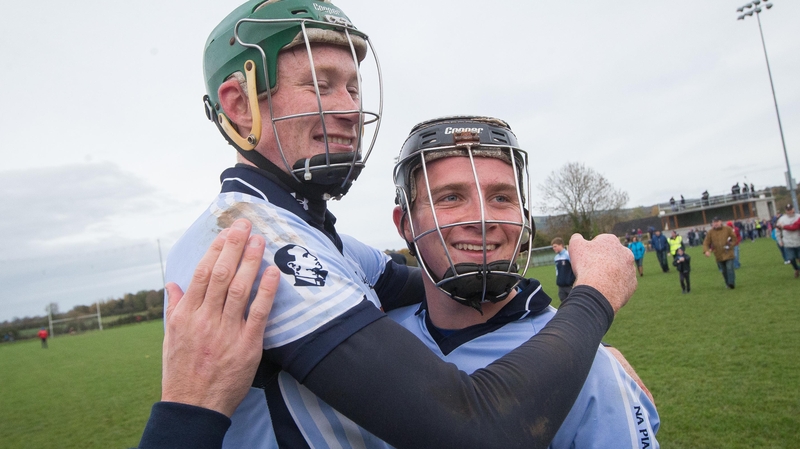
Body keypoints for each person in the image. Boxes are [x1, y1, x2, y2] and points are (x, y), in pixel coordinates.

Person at [140, 1, 638, 447]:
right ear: (239, 104)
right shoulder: (252, 239)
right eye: (321, 84)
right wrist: (592, 303)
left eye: (354, 87)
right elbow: (478, 429)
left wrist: (560, 342)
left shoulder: (311, 234)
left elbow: (432, 280)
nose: (349, 109)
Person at [388, 116, 659, 448]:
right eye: (451, 198)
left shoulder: (592, 371)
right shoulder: (373, 337)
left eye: (501, 198)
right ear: (405, 224)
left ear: (524, 216)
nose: (482, 219)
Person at [703, 217, 738, 289]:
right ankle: (727, 283)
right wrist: (706, 251)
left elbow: (734, 238)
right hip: (718, 254)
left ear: (721, 222)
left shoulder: (727, 229)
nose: (715, 223)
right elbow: (706, 242)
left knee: (729, 268)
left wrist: (731, 244)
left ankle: (731, 283)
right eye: (714, 222)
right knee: (724, 271)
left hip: (728, 253)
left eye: (717, 221)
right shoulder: (710, 232)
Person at [776, 203, 800, 278]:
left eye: (790, 210)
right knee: (791, 258)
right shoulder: (781, 219)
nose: (789, 211)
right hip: (788, 242)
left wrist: (784, 227)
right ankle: (796, 269)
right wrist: (779, 240)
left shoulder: (798, 217)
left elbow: (794, 227)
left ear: (793, 209)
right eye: (787, 210)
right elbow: (777, 231)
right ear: (785, 211)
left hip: (798, 241)